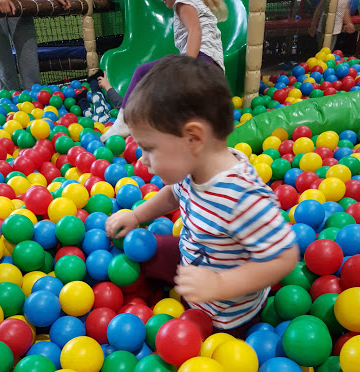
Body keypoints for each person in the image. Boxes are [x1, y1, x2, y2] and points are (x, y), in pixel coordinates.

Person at [105, 55, 299, 336]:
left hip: (225, 313)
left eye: (149, 149)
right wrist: (137, 215)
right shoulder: (192, 167)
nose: (143, 160)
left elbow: (285, 256)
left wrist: (219, 285)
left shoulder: (240, 197)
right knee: (137, 250)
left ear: (193, 138)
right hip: (193, 265)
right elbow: (173, 195)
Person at [101, 0, 228, 141]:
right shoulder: (194, 2)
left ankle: (123, 123)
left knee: (142, 72)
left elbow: (195, 31)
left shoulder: (183, 3)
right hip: (213, 69)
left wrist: (187, 65)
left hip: (200, 59)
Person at [0, 0, 70, 91]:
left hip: (20, 3)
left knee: (30, 65)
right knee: (4, 70)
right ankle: (10, 102)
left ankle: (34, 99)